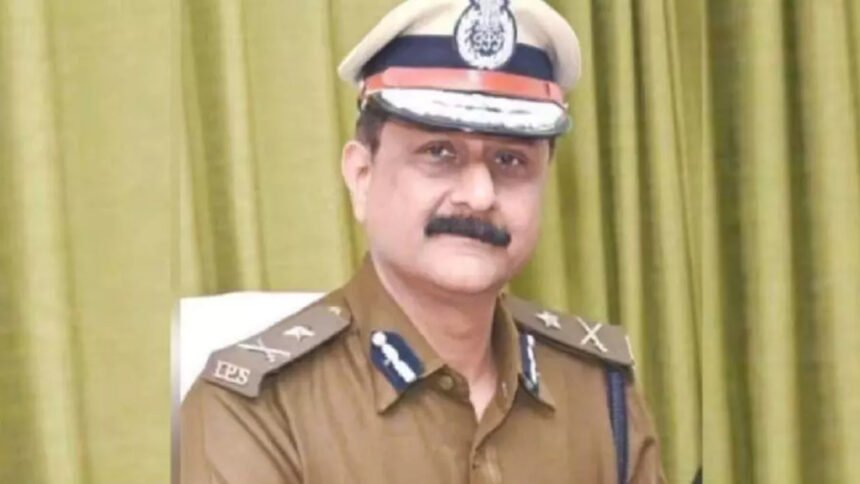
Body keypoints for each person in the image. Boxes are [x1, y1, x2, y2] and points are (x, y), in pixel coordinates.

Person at [180, 0, 665, 482]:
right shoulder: (260, 413)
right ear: (362, 176)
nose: (479, 196)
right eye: (439, 153)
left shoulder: (599, 394)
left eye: (510, 161)